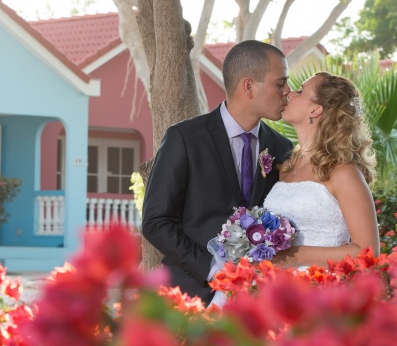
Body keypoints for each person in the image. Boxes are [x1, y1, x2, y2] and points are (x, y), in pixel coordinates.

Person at [142, 40, 293, 305]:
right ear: (248, 86)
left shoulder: (281, 147)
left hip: (257, 301)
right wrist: (213, 268)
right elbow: (156, 222)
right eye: (280, 84)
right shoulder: (185, 138)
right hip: (190, 295)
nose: (288, 92)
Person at [265, 71, 379, 269]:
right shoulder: (286, 165)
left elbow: (367, 251)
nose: (289, 93)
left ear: (315, 110)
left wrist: (295, 256)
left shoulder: (344, 172)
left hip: (320, 287)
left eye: (300, 91)